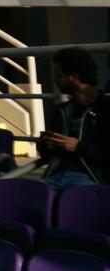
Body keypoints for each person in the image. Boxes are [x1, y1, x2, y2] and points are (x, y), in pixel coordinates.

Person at [40, 47, 108, 189]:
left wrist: (78, 146)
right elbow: (45, 155)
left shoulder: (105, 109)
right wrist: (46, 144)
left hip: (90, 178)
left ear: (74, 78)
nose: (55, 79)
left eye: (58, 75)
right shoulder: (63, 110)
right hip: (56, 175)